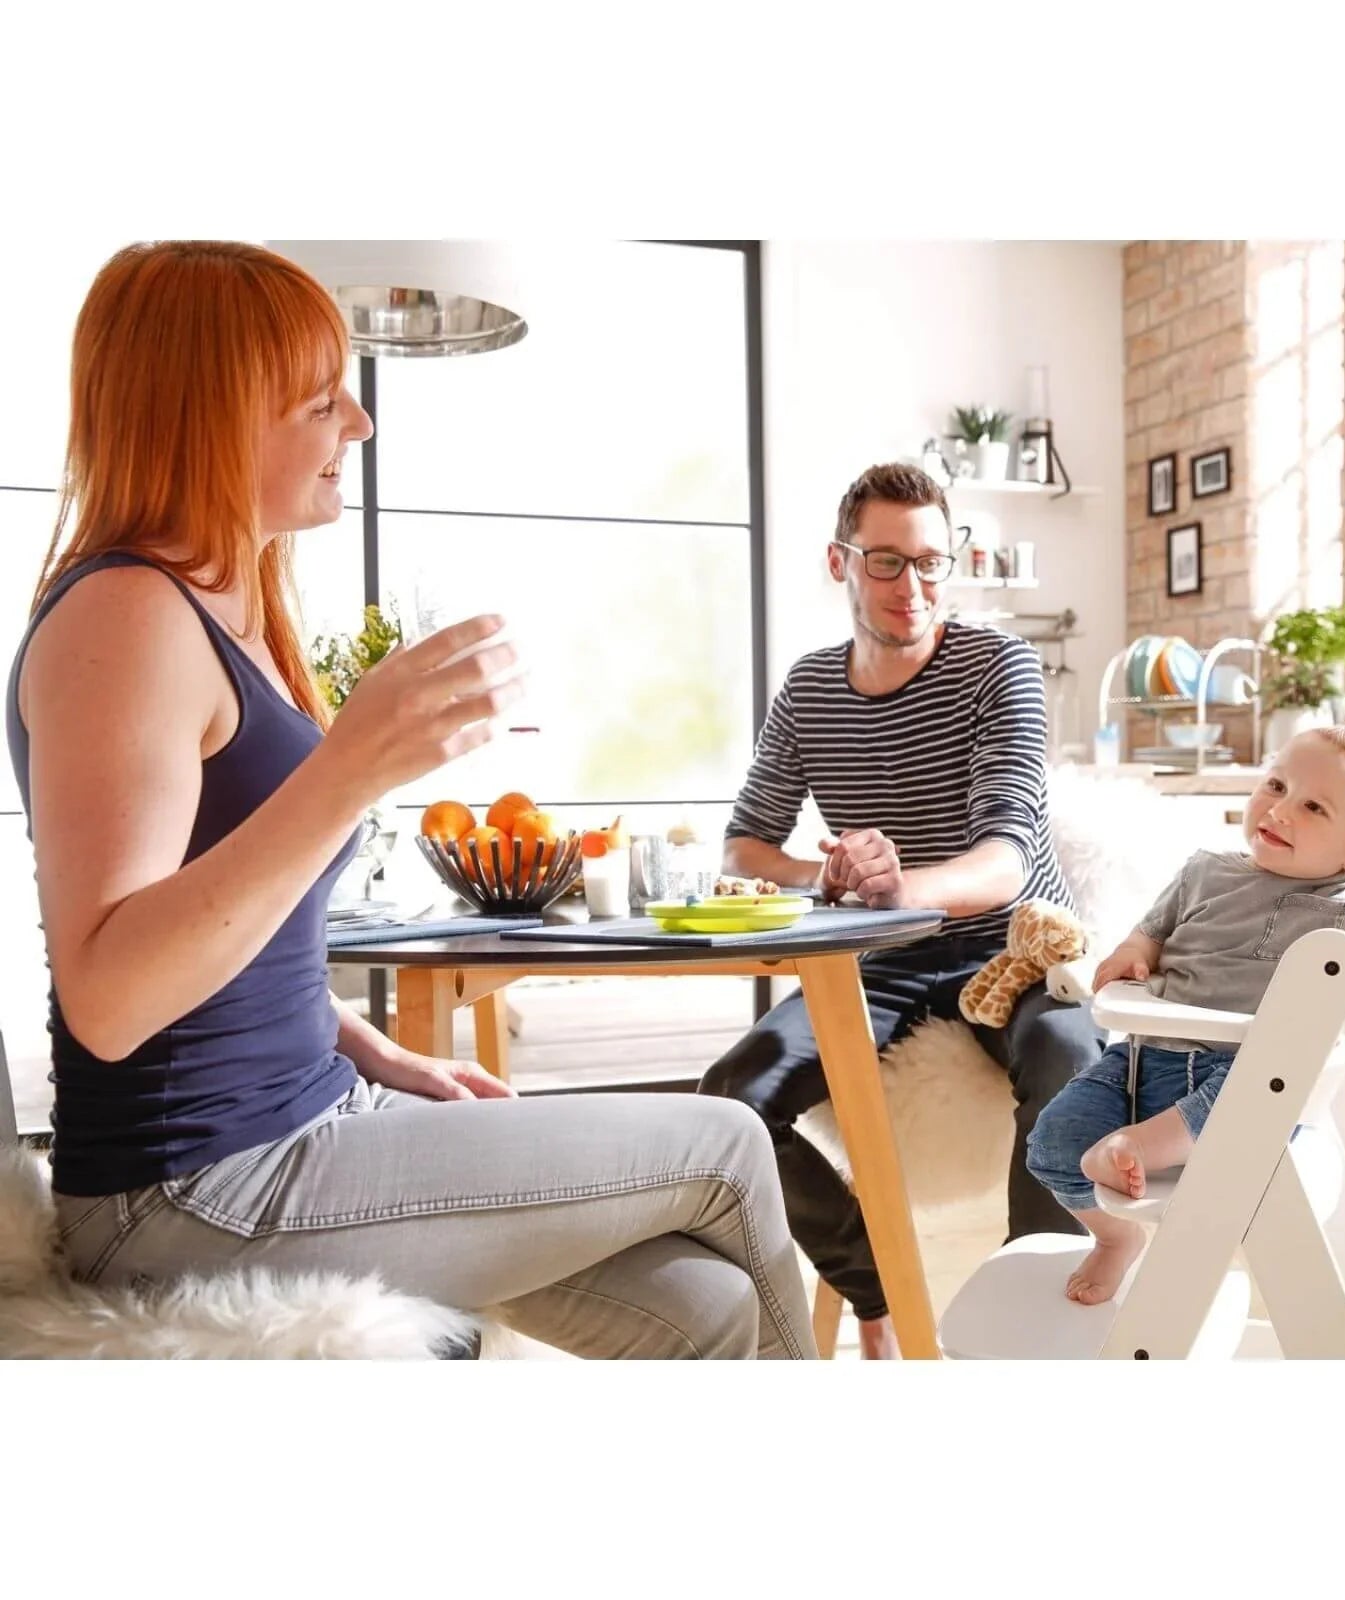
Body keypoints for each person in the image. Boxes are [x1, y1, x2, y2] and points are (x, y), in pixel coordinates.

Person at [6, 240, 815, 1360]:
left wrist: (376, 1051)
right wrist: (350, 769)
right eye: (320, 401)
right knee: (729, 1145)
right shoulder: (125, 617)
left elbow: (240, 949)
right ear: (215, 415)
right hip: (191, 1189)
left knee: (708, 1305)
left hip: (309, 1119)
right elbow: (110, 993)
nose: (360, 423)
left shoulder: (226, 608)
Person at [699, 462, 1103, 1358]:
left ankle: (1033, 1332)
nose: (911, 587)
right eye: (886, 562)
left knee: (1072, 1062)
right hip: (880, 960)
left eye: (930, 562)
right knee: (731, 1101)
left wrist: (898, 885)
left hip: (1013, 950)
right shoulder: (810, 690)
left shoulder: (999, 667)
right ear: (839, 562)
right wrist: (830, 876)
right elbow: (743, 848)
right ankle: (874, 1286)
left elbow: (1006, 860)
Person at [1025, 725, 1345, 1306]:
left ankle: (1143, 1144)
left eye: (1313, 807)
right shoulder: (1204, 870)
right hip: (1139, 1060)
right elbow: (1147, 936)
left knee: (1249, 1093)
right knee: (1052, 1143)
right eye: (1277, 786)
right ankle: (1115, 1236)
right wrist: (1132, 956)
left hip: (1253, 1074)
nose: (1280, 810)